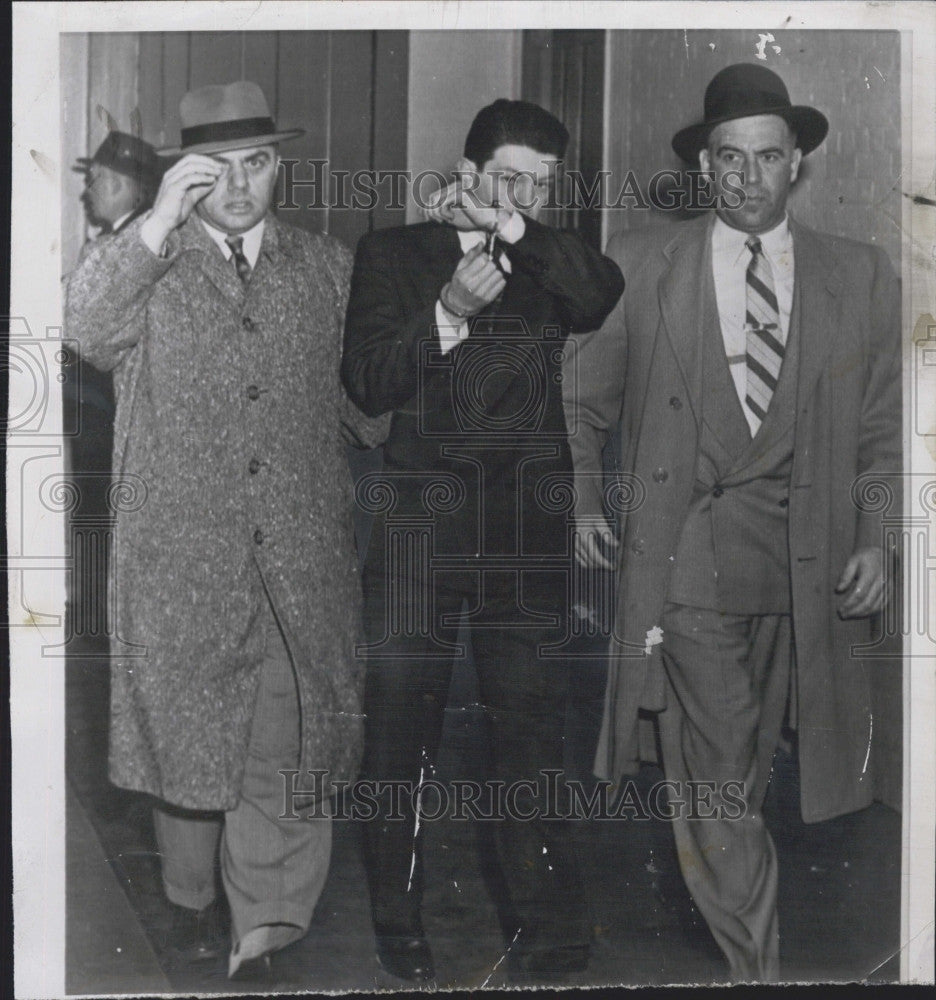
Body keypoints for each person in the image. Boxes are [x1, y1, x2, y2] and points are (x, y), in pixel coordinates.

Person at [564, 63, 901, 982]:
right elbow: (580, 398)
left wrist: (877, 537)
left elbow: (878, 434)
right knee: (715, 770)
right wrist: (588, 500)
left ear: (799, 164)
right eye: (728, 158)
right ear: (705, 167)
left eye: (766, 157)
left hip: (804, 567)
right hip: (686, 562)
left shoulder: (860, 274)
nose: (746, 177)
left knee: (743, 768)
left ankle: (737, 923)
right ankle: (759, 965)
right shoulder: (643, 262)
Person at [65, 80, 385, 983]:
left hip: (297, 561)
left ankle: (269, 935)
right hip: (181, 560)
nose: (240, 187)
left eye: (257, 164)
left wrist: (438, 323)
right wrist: (157, 219)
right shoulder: (148, 264)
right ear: (183, 176)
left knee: (284, 745)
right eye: (217, 170)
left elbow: (369, 411)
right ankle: (192, 901)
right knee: (192, 747)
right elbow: (84, 326)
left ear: (279, 167)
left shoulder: (327, 267)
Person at [342, 98, 625, 985]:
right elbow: (368, 380)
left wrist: (510, 222)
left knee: (531, 736)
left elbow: (600, 292)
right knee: (399, 735)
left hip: (520, 541)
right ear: (465, 172)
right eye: (510, 179)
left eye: (541, 185)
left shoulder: (544, 260)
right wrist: (447, 314)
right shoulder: (394, 253)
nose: (528, 197)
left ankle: (548, 931)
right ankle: (398, 919)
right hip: (418, 535)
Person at [75, 130, 161, 234]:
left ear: (114, 184)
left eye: (92, 181)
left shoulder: (139, 236)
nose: (86, 192)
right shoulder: (143, 229)